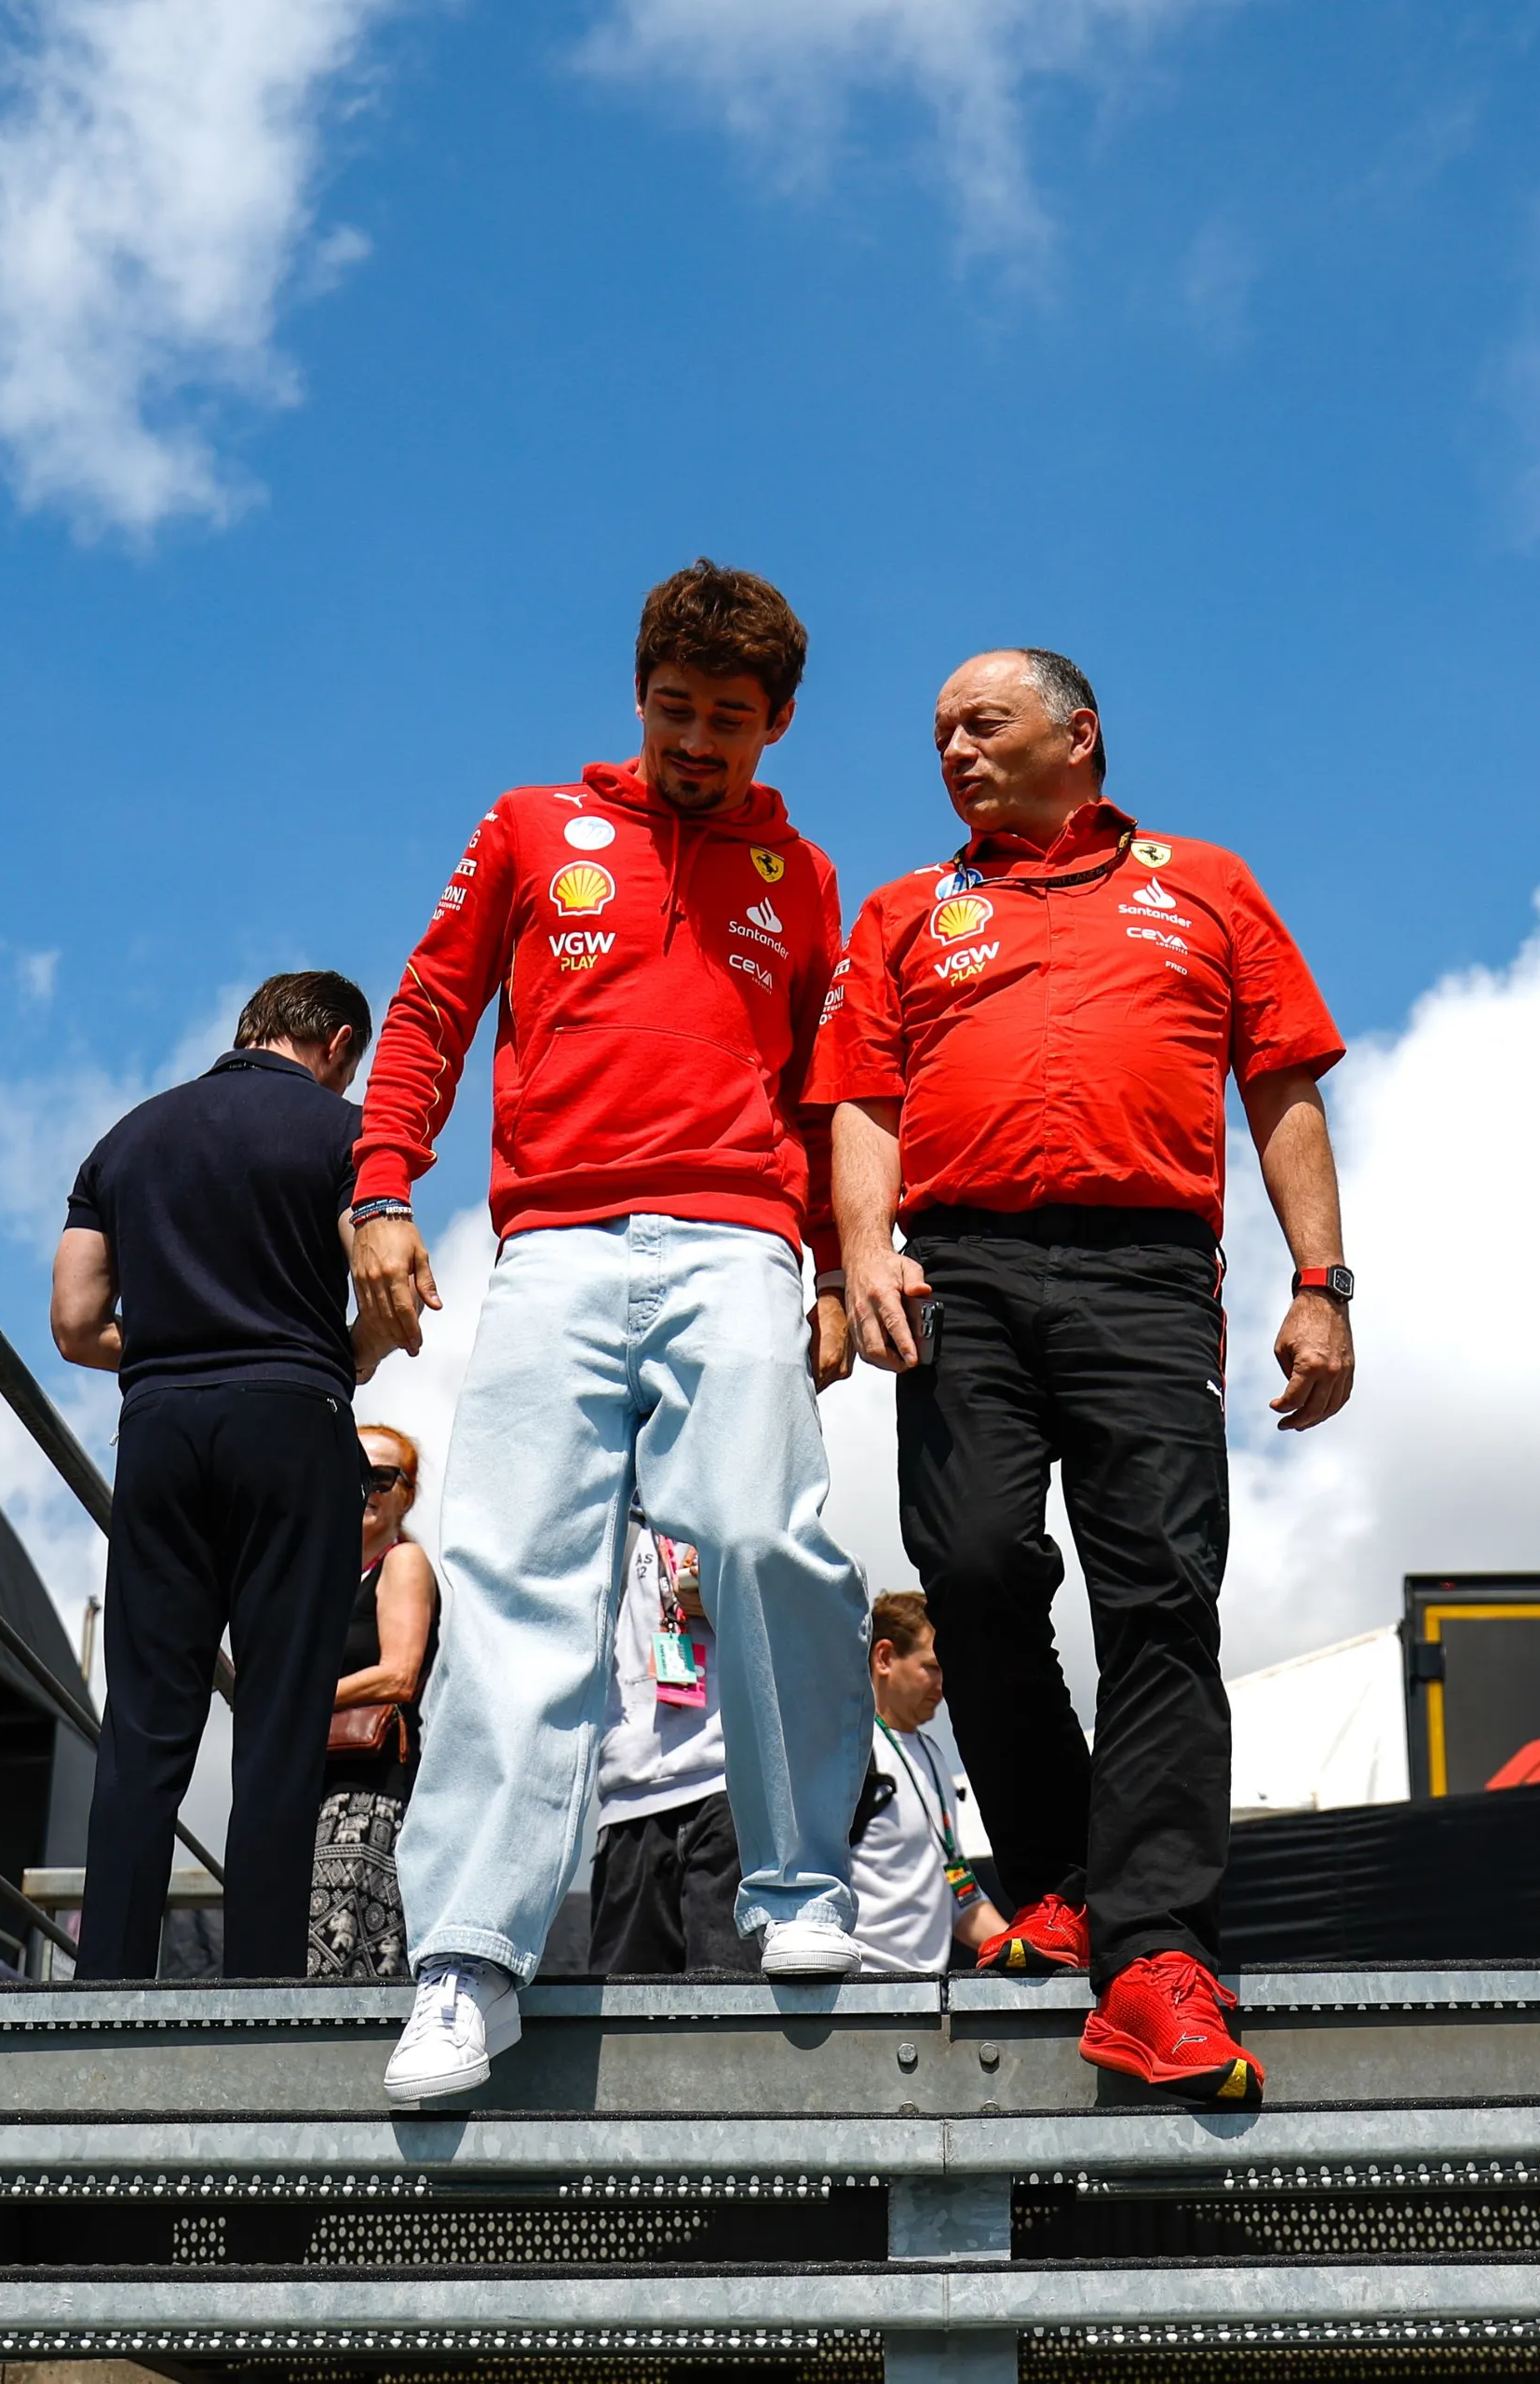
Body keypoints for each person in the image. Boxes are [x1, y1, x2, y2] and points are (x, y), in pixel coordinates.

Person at [350, 560, 873, 2101]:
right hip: (555, 1244)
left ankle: (797, 1890)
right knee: (517, 1581)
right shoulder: (529, 827)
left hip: (736, 1242)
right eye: (671, 710)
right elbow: (430, 1007)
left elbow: (818, 1093)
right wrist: (382, 1187)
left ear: (775, 722)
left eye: (727, 719)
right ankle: (465, 1957)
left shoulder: (804, 878)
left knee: (763, 1538)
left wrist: (840, 1270)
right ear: (634, 695)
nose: (695, 743)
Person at [814, 648, 1355, 2106]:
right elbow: (860, 1095)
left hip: (1147, 1274)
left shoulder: (1210, 885)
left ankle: (1159, 1949)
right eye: (937, 735)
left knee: (1161, 1599)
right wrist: (863, 1248)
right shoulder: (909, 910)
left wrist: (1321, 1285)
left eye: (981, 724)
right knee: (973, 1564)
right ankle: (1060, 1876)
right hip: (959, 1273)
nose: (952, 753)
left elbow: (1284, 1082)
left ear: (1079, 732)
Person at [53, 969, 384, 1981]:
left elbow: (72, 1321)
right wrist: (342, 1354)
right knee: (281, 1718)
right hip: (292, 1419)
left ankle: (107, 1977)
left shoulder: (125, 1137)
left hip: (158, 1425)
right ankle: (262, 1982)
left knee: (145, 1717)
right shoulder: (343, 1134)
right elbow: (387, 1287)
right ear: (332, 1041)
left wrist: (169, 1352)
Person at [589, 1519, 749, 1975]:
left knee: (729, 2008)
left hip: (727, 1784)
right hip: (629, 1794)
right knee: (623, 2019)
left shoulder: (739, 1495)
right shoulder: (618, 1508)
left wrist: (724, 1582)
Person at [310, 1424, 439, 1979]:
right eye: (354, 1472)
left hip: (364, 1793)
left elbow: (399, 1676)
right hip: (307, 1789)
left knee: (341, 1960)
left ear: (406, 1494)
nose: (366, 1488)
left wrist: (293, 1698)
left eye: (382, 1477)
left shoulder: (401, 1563)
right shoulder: (319, 1578)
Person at [848, 1592, 1006, 1976]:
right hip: (859, 1994)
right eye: (932, 1667)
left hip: (928, 1995)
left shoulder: (934, 1755)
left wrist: (1022, 1948)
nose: (943, 1683)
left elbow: (960, 1895)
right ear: (884, 1658)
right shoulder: (850, 1748)